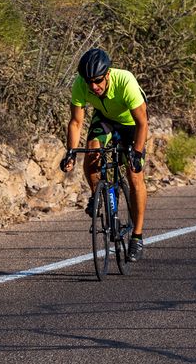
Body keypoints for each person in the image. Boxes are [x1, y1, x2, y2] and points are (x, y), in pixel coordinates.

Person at [60, 48, 149, 262]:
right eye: (89, 81)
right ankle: (98, 195)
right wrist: (70, 152)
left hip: (130, 124)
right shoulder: (81, 84)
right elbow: (76, 122)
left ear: (107, 74)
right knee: (91, 152)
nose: (93, 86)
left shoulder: (125, 81)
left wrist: (136, 153)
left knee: (135, 176)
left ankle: (137, 236)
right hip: (105, 119)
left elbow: (142, 122)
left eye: (98, 80)